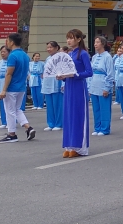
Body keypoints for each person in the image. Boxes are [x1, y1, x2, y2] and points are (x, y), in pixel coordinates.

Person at [0, 34, 36, 143]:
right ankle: (28, 127)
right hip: (21, 87)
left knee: (9, 111)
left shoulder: (12, 56)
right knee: (17, 109)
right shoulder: (24, 55)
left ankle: (12, 134)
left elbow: (9, 74)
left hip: (12, 87)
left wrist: (4, 89)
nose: (6, 43)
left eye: (7, 41)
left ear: (12, 42)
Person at [60, 29, 93, 157]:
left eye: (71, 38)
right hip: (69, 86)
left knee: (78, 115)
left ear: (79, 39)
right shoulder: (69, 54)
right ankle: (69, 145)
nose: (68, 41)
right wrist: (62, 76)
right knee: (68, 115)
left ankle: (79, 147)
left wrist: (75, 74)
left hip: (79, 86)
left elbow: (89, 72)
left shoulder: (83, 54)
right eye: (67, 38)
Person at [89, 37, 115, 136]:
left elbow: (110, 74)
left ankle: (105, 128)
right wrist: (89, 87)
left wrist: (107, 88)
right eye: (95, 42)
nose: (95, 44)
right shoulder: (94, 57)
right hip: (94, 83)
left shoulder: (107, 57)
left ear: (103, 44)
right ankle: (97, 127)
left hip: (103, 82)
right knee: (96, 108)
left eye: (97, 42)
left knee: (104, 108)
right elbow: (91, 73)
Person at [42, 42, 64, 131]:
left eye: (51, 47)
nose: (48, 49)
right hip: (47, 83)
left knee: (57, 105)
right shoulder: (47, 59)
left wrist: (63, 83)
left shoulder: (61, 58)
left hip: (56, 82)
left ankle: (59, 123)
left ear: (56, 48)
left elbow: (63, 71)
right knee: (49, 105)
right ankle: (51, 123)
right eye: (47, 47)